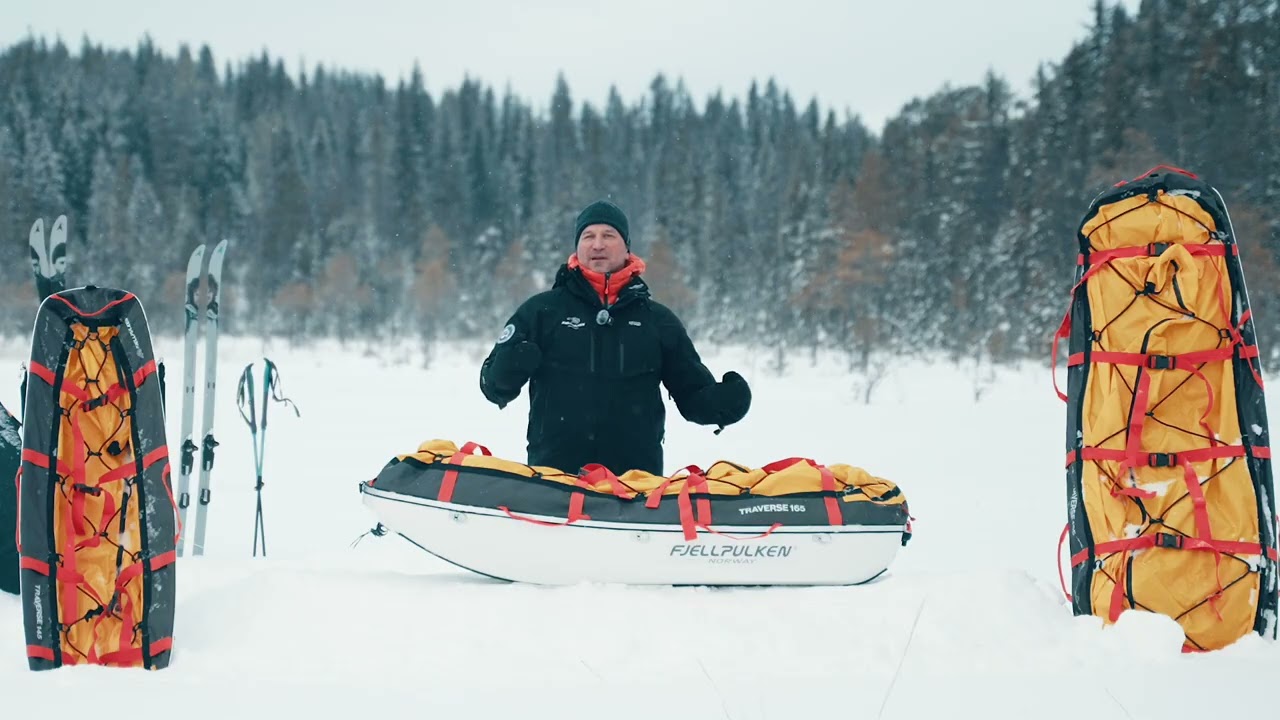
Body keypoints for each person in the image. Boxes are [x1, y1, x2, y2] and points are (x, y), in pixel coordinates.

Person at [480, 199, 751, 477]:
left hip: (636, 486)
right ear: (577, 247)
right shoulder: (541, 311)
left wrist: (722, 404)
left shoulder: (657, 320)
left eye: (608, 235)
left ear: (626, 247)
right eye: (588, 236)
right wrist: (508, 368)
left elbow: (692, 394)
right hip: (554, 481)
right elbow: (491, 385)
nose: (597, 244)